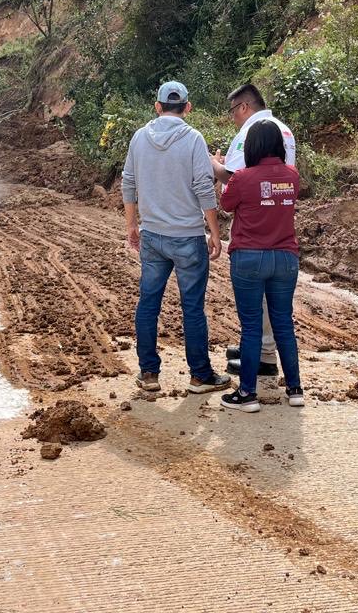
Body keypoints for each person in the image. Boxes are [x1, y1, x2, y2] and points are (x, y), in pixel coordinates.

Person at [121, 81, 232, 395]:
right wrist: (214, 231)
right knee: (192, 307)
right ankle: (199, 376)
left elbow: (128, 183)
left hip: (152, 236)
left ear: (157, 106)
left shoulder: (140, 137)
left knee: (148, 304)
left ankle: (148, 374)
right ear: (187, 107)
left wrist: (132, 225)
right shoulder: (193, 139)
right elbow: (202, 187)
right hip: (187, 238)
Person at [210, 83, 296, 379]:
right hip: (281, 222)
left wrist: (214, 165)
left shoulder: (251, 131)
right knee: (278, 306)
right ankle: (268, 353)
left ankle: (261, 355)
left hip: (252, 226)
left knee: (254, 299)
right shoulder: (283, 129)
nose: (232, 117)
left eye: (232, 111)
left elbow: (235, 179)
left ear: (244, 107)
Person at [218, 120, 304, 411]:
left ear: (252, 147)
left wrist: (219, 169)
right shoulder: (292, 175)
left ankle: (247, 394)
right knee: (283, 324)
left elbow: (226, 204)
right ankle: (294, 389)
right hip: (285, 258)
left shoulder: (242, 177)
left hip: (249, 258)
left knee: (251, 326)